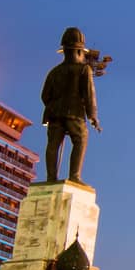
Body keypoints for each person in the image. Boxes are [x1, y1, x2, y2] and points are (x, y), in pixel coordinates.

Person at [41, 28, 100, 184]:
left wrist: (54, 105)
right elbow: (89, 95)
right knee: (81, 139)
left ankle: (51, 177)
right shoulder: (83, 69)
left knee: (53, 144)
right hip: (74, 113)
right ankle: (75, 176)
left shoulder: (54, 72)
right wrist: (93, 116)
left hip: (54, 113)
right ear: (80, 52)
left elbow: (45, 95)